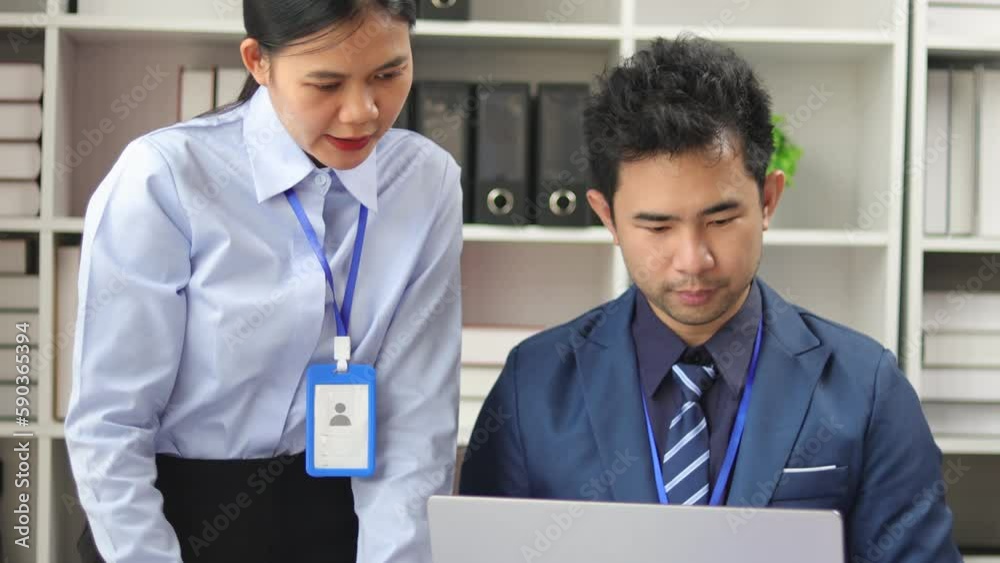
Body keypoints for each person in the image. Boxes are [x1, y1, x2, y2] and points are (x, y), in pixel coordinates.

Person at [459, 35, 962, 562]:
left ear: (768, 200)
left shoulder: (867, 389)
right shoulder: (532, 387)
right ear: (607, 216)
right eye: (657, 227)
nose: (693, 259)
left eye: (720, 220)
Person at [65, 1, 463, 562]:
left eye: (388, 74)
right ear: (258, 61)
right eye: (326, 84)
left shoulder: (426, 181)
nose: (362, 113)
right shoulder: (166, 176)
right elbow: (110, 424)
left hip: (342, 521)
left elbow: (416, 422)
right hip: (169, 520)